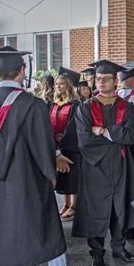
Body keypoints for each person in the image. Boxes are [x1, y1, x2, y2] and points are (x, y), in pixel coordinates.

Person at [0, 46, 90, 266]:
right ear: (23, 71)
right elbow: (43, 145)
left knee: (4, 228)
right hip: (28, 180)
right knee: (47, 227)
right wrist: (51, 173)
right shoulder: (32, 105)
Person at [72, 59, 134, 266]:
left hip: (121, 166)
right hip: (96, 168)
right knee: (96, 211)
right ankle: (97, 254)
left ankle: (119, 247)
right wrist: (115, 137)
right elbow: (84, 140)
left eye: (106, 79)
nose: (100, 82)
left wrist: (102, 131)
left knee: (119, 207)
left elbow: (132, 136)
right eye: (98, 79)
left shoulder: (127, 107)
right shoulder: (85, 107)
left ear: (115, 81)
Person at [51, 66, 82, 221]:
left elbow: (73, 127)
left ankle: (74, 205)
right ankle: (66, 203)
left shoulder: (75, 105)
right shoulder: (53, 104)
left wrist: (63, 142)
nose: (58, 86)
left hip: (71, 147)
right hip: (57, 147)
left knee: (73, 176)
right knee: (62, 176)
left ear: (68, 86)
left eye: (61, 84)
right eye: (57, 84)